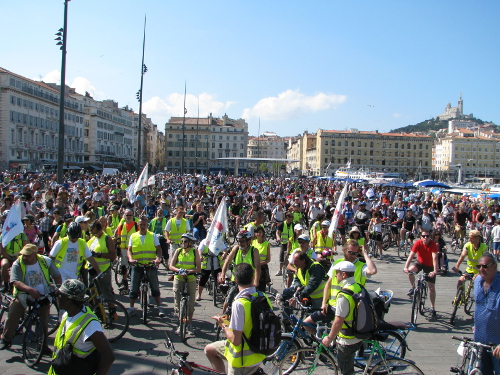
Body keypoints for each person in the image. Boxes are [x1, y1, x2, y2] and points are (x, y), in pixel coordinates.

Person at [205, 263, 269, 375]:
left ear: (235, 280)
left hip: (242, 358)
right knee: (210, 349)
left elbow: (236, 340)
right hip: (259, 352)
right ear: (253, 277)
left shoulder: (239, 304)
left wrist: (223, 325)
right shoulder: (262, 296)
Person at [0, 244, 62, 351]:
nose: (25, 257)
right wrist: (30, 290)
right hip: (23, 295)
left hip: (42, 295)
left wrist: (58, 289)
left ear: (35, 254)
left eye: (28, 255)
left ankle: (43, 345)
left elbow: (57, 276)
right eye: (23, 255)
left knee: (44, 319)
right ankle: (6, 339)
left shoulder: (46, 261)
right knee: (13, 314)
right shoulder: (18, 264)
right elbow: (15, 282)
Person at [304, 239, 377, 329]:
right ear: (344, 250)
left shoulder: (361, 266)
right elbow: (328, 284)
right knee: (306, 323)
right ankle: (319, 341)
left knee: (336, 333)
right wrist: (323, 303)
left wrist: (365, 254)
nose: (353, 256)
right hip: (333, 306)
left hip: (349, 309)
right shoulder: (337, 263)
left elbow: (373, 270)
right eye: (351, 252)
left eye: (355, 253)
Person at [48, 279, 115, 375]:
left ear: (68, 299)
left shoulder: (90, 324)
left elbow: (108, 356)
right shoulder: (66, 314)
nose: (56, 297)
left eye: (59, 294)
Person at [321, 261, 364, 375]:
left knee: (346, 371)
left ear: (344, 275)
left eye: (337, 273)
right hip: (358, 334)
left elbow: (338, 321)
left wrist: (329, 338)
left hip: (347, 338)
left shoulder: (344, 295)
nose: (335, 275)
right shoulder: (358, 287)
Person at [127, 216, 165, 318]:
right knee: (134, 287)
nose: (142, 226)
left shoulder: (152, 235)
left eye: (144, 224)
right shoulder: (133, 236)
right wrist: (130, 259)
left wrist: (158, 259)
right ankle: (131, 308)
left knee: (155, 286)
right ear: (138, 225)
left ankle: (159, 307)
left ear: (147, 225)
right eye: (141, 225)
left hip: (150, 264)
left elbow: (159, 249)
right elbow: (129, 250)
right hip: (137, 264)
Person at [219, 230, 261, 311]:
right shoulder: (236, 248)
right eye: (238, 241)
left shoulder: (254, 251)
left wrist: (256, 282)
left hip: (249, 282)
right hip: (236, 280)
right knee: (228, 299)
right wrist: (223, 274)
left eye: (242, 241)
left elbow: (258, 268)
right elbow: (227, 261)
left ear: (249, 241)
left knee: (254, 303)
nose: (239, 243)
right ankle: (223, 316)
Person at [473, 253, 500, 374]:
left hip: (497, 344)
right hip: (481, 340)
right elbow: (479, 307)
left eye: (485, 266)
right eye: (479, 266)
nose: (481, 269)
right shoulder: (478, 281)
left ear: (494, 266)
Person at [169, 233, 201, 335]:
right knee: (178, 301)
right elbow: (171, 265)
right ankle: (180, 324)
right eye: (182, 241)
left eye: (185, 241)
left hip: (191, 278)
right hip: (179, 277)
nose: (183, 243)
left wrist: (190, 271)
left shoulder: (194, 252)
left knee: (191, 303)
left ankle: (190, 324)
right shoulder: (178, 251)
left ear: (190, 243)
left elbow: (198, 268)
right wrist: (178, 270)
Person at [404, 230, 439, 317]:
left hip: (430, 266)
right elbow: (411, 255)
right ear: (421, 237)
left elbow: (435, 257)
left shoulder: (433, 244)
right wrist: (406, 267)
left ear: (430, 237)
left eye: (427, 236)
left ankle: (432, 307)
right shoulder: (418, 243)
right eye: (423, 236)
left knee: (431, 288)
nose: (425, 238)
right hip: (420, 262)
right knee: (410, 272)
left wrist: (434, 271)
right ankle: (413, 288)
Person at [251, 226, 271, 292]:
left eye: (260, 232)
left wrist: (260, 263)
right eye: (256, 232)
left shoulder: (266, 244)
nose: (258, 234)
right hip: (253, 267)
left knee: (261, 287)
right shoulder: (252, 243)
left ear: (263, 233)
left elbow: (268, 259)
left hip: (262, 266)